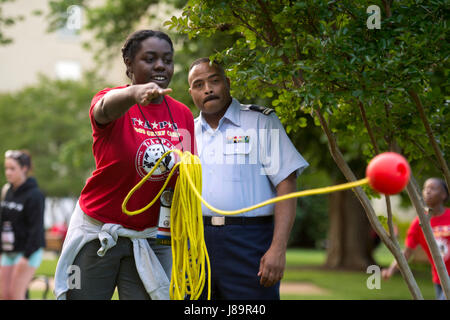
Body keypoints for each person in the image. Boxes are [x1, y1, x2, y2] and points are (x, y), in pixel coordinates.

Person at [53, 30, 196, 300]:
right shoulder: (113, 100)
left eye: (167, 59)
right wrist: (134, 94)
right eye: (149, 59)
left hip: (150, 237)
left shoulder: (183, 114)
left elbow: (184, 177)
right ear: (129, 64)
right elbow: (102, 110)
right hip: (99, 231)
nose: (160, 66)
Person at [188, 58, 309, 299]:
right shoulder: (186, 133)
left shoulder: (261, 122)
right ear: (191, 92)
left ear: (228, 83)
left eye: (214, 81)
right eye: (198, 84)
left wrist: (278, 248)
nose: (208, 89)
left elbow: (287, 182)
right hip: (195, 242)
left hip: (249, 242)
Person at [382, 178, 450, 300]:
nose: (428, 191)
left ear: (444, 195)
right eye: (425, 188)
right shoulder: (420, 223)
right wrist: (391, 270)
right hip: (439, 278)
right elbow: (407, 252)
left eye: (433, 188)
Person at [0, 150, 46, 300]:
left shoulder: (34, 195)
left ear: (24, 168)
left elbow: (36, 229)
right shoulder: (7, 191)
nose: (8, 172)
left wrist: (25, 257)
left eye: (12, 168)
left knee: (16, 295)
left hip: (28, 252)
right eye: (6, 168)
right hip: (9, 250)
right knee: (4, 295)